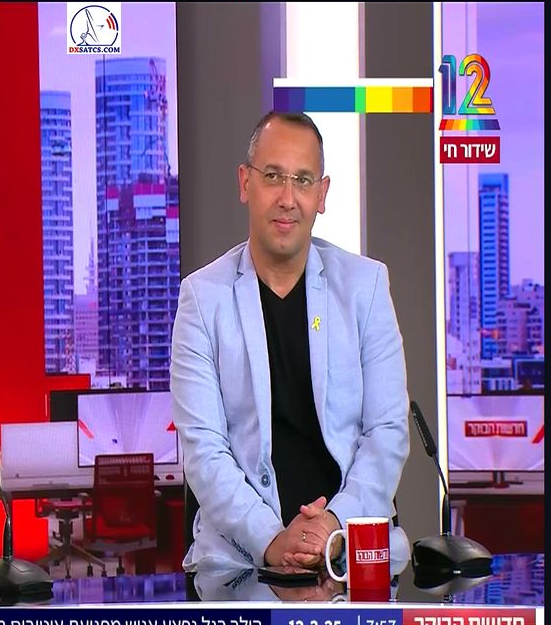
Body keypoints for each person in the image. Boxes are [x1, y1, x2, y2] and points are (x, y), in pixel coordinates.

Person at [171, 111, 410, 592]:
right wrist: (272, 538)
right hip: (241, 563)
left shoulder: (364, 287)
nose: (287, 198)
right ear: (245, 183)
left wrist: (333, 526)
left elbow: (386, 431)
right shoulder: (203, 298)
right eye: (273, 176)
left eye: (302, 180)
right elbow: (204, 450)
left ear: (322, 194)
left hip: (351, 554)